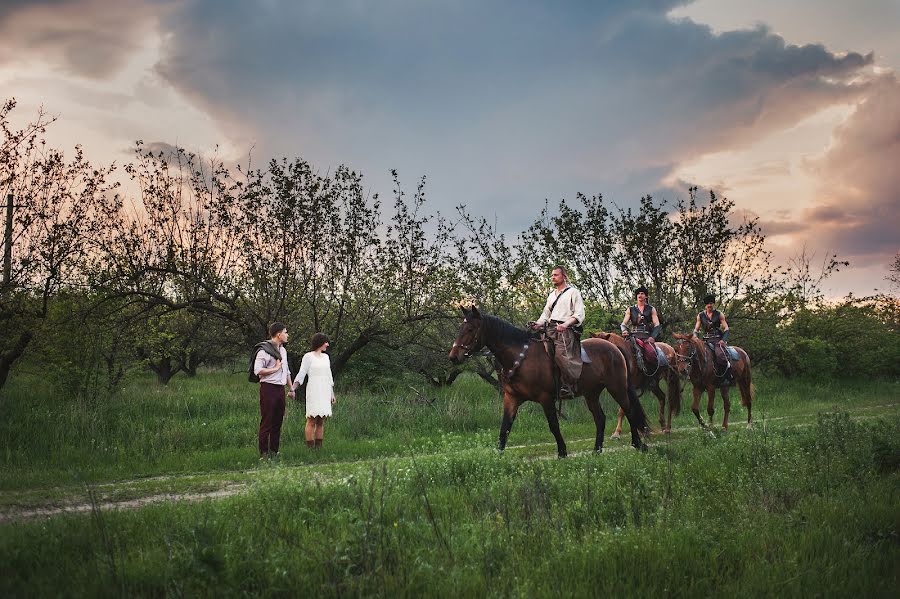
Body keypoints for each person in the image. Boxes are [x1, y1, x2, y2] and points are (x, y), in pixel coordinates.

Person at [530, 266, 585, 399]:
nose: (552, 277)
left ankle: (568, 386)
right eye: (552, 275)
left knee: (561, 356)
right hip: (550, 328)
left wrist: (565, 324)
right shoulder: (551, 295)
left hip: (566, 331)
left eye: (555, 275)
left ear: (564, 276)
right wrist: (538, 324)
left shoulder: (573, 292)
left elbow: (579, 314)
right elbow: (546, 314)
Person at [253, 322, 295, 459]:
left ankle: (274, 451)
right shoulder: (263, 350)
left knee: (278, 420)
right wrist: (274, 369)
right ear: (278, 334)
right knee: (267, 421)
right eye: (285, 332)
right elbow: (257, 370)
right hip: (268, 388)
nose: (287, 335)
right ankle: (263, 453)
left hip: (280, 389)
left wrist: (291, 388)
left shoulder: (283, 350)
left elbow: (286, 370)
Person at [292, 333, 336, 449]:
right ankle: (310, 448)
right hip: (314, 389)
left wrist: (332, 394)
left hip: (325, 390)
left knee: (321, 420)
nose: (327, 344)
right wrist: (293, 388)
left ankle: (318, 448)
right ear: (319, 343)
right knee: (311, 419)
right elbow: (302, 373)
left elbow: (329, 375)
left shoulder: (326, 357)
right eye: (325, 342)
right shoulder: (308, 357)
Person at [620, 285, 662, 371]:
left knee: (651, 354)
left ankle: (652, 377)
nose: (640, 295)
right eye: (638, 294)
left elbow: (657, 324)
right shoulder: (630, 309)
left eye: (642, 293)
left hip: (646, 337)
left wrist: (652, 337)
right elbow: (623, 323)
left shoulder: (651, 309)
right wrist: (624, 330)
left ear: (646, 296)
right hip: (633, 336)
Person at [694, 294, 731, 377]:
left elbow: (726, 328)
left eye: (711, 303)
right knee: (694, 355)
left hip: (717, 339)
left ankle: (725, 376)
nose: (709, 305)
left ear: (713, 304)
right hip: (705, 340)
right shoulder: (700, 316)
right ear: (705, 305)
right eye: (708, 303)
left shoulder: (719, 314)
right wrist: (695, 338)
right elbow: (696, 329)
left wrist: (723, 339)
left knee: (720, 356)